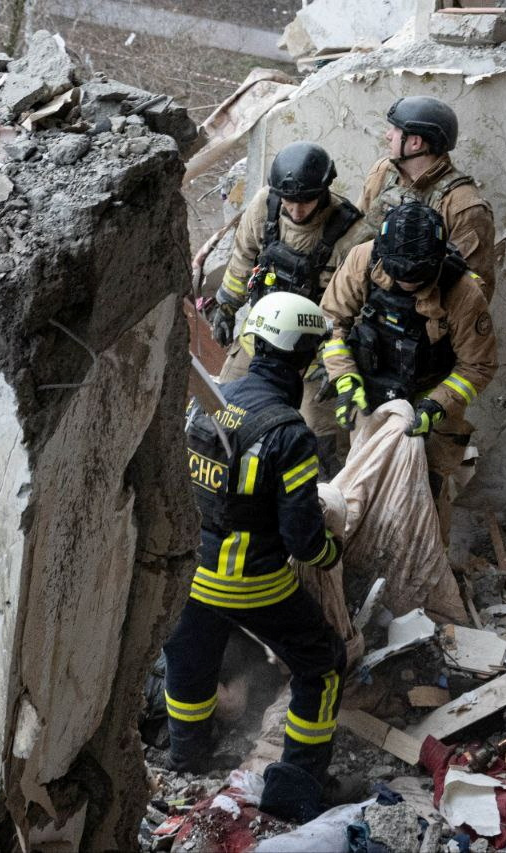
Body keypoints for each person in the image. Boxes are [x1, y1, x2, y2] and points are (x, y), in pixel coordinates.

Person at [166, 291, 346, 822]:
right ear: (305, 357)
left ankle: (186, 760)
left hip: (192, 573)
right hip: (252, 583)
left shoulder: (208, 400)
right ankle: (298, 784)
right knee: (323, 662)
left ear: (254, 342)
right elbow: (302, 541)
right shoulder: (290, 433)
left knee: (189, 657)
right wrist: (332, 552)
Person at [319, 201, 497, 540]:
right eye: (397, 273)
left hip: (430, 396)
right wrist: (344, 377)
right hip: (371, 390)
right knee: (366, 480)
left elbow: (479, 364)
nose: (405, 283)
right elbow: (330, 322)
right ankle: (366, 553)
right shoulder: (364, 259)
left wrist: (437, 405)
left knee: (426, 491)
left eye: (415, 277)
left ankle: (431, 562)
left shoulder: (463, 291)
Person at [208, 142, 373, 471]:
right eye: (289, 201)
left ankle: (319, 493)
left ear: (323, 192)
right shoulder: (264, 207)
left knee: (322, 443)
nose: (296, 211)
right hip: (261, 335)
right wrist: (226, 305)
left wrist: (338, 363)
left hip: (315, 354)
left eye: (305, 202)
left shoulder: (354, 236)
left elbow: (358, 309)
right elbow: (243, 258)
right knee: (222, 408)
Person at [357, 96, 497, 301]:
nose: (388, 135)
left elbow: (474, 292)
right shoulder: (382, 172)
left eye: (395, 129)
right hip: (369, 304)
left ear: (415, 142)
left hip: (424, 313)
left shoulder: (463, 205)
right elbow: (358, 239)